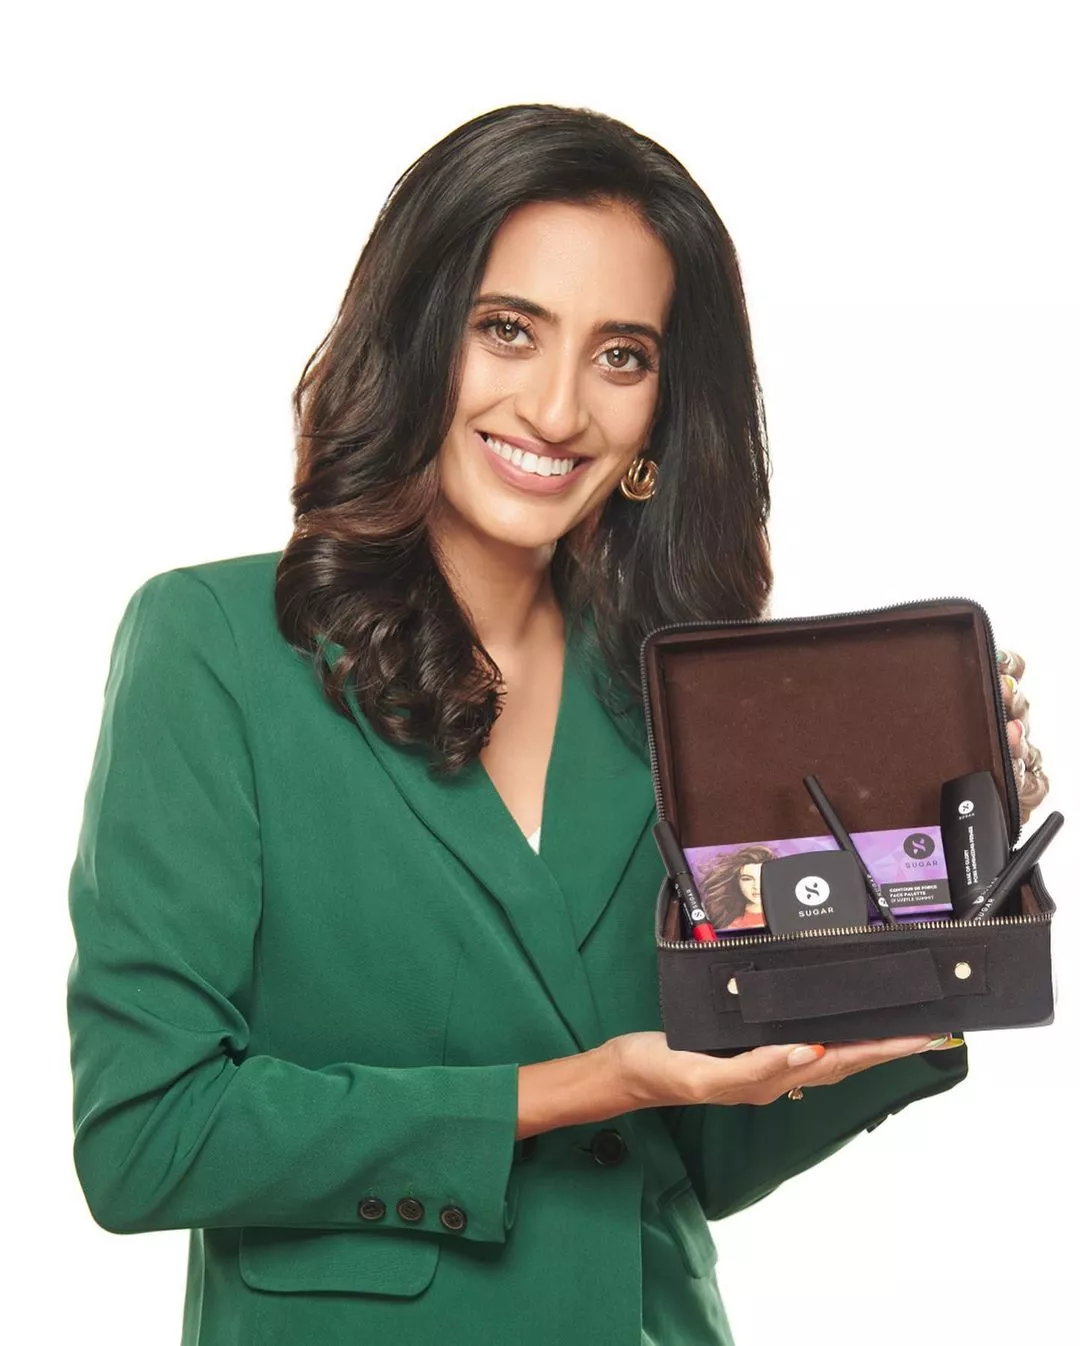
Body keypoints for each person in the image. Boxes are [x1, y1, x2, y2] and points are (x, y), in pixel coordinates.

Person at [65, 103, 1047, 1346]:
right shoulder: (212, 645)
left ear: (661, 413)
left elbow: (704, 1142)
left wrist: (940, 902)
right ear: (418, 337)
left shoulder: (665, 690)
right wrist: (582, 1084)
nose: (556, 408)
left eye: (621, 355)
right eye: (508, 330)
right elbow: (147, 1136)